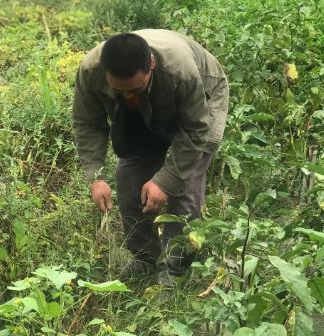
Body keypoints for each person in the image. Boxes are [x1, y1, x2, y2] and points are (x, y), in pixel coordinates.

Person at [72, 29, 229, 285]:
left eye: (135, 89)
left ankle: (178, 266)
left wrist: (165, 181)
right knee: (128, 176)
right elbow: (87, 123)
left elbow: (195, 130)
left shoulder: (181, 71)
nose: (128, 97)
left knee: (184, 184)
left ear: (152, 66)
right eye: (119, 91)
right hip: (152, 101)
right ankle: (145, 259)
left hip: (204, 96)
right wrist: (96, 176)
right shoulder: (91, 70)